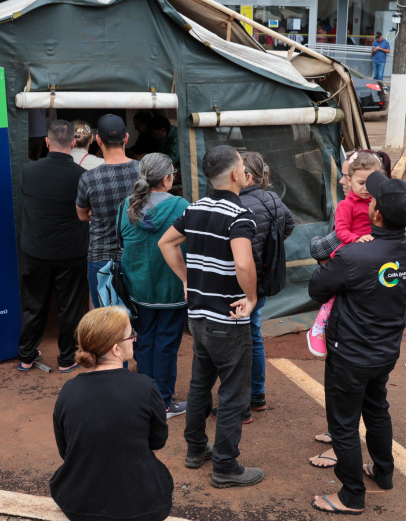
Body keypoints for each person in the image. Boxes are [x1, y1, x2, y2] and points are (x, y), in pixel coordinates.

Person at [308, 172, 406, 514]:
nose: (368, 201)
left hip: (350, 353)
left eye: (373, 200)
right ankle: (383, 473)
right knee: (376, 408)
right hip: (385, 349)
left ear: (377, 214)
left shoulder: (356, 256)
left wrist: (332, 258)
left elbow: (317, 288)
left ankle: (351, 496)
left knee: (343, 424)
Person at [159, 145, 264, 489]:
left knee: (200, 385)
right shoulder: (240, 215)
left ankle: (195, 450)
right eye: (242, 166)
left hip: (198, 317)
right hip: (228, 319)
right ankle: (225, 466)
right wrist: (251, 298)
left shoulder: (195, 208)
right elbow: (243, 263)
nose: (245, 172)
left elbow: (166, 243)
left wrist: (187, 280)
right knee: (233, 394)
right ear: (235, 174)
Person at [50, 306, 173, 521]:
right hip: (143, 507)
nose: (134, 339)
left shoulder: (68, 390)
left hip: (78, 505)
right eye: (131, 335)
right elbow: (158, 441)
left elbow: (65, 451)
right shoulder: (145, 387)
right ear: (116, 349)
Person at [120, 153, 190, 418]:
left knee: (143, 342)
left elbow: (121, 241)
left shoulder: (126, 206)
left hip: (137, 289)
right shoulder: (182, 206)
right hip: (173, 288)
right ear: (167, 178)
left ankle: (144, 398)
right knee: (167, 344)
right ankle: (163, 402)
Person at [17, 120, 89, 373]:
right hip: (71, 252)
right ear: (73, 143)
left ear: (47, 142)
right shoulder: (82, 176)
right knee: (70, 307)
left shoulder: (28, 171)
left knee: (33, 304)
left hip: (35, 250)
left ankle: (26, 356)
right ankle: (67, 359)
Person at [307, 152, 383, 357]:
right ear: (349, 181)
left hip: (372, 255)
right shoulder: (346, 205)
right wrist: (356, 239)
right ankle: (317, 328)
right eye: (361, 183)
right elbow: (341, 231)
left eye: (370, 183)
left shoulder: (378, 201)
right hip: (351, 253)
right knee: (334, 296)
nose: (366, 188)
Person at [238, 152, 296, 418]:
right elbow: (289, 225)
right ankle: (257, 394)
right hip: (263, 278)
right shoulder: (272, 198)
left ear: (248, 176)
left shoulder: (236, 204)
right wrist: (268, 249)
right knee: (254, 334)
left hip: (239, 281)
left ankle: (240, 400)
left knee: (236, 340)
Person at [76, 114, 140, 308]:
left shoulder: (89, 178)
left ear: (98, 140)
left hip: (100, 257)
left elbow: (82, 215)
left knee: (105, 318)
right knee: (137, 314)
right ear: (126, 138)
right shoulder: (142, 172)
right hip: (136, 254)